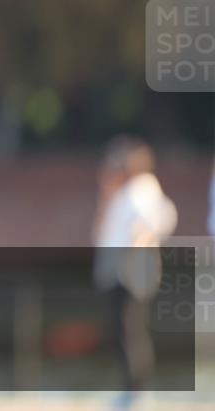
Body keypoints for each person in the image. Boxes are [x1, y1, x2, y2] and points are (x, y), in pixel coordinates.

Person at [92, 135, 178, 407]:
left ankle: (137, 391)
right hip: (116, 268)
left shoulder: (143, 187)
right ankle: (130, 388)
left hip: (133, 269)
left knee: (131, 329)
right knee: (120, 329)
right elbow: (100, 231)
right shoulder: (119, 192)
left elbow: (157, 221)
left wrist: (136, 253)